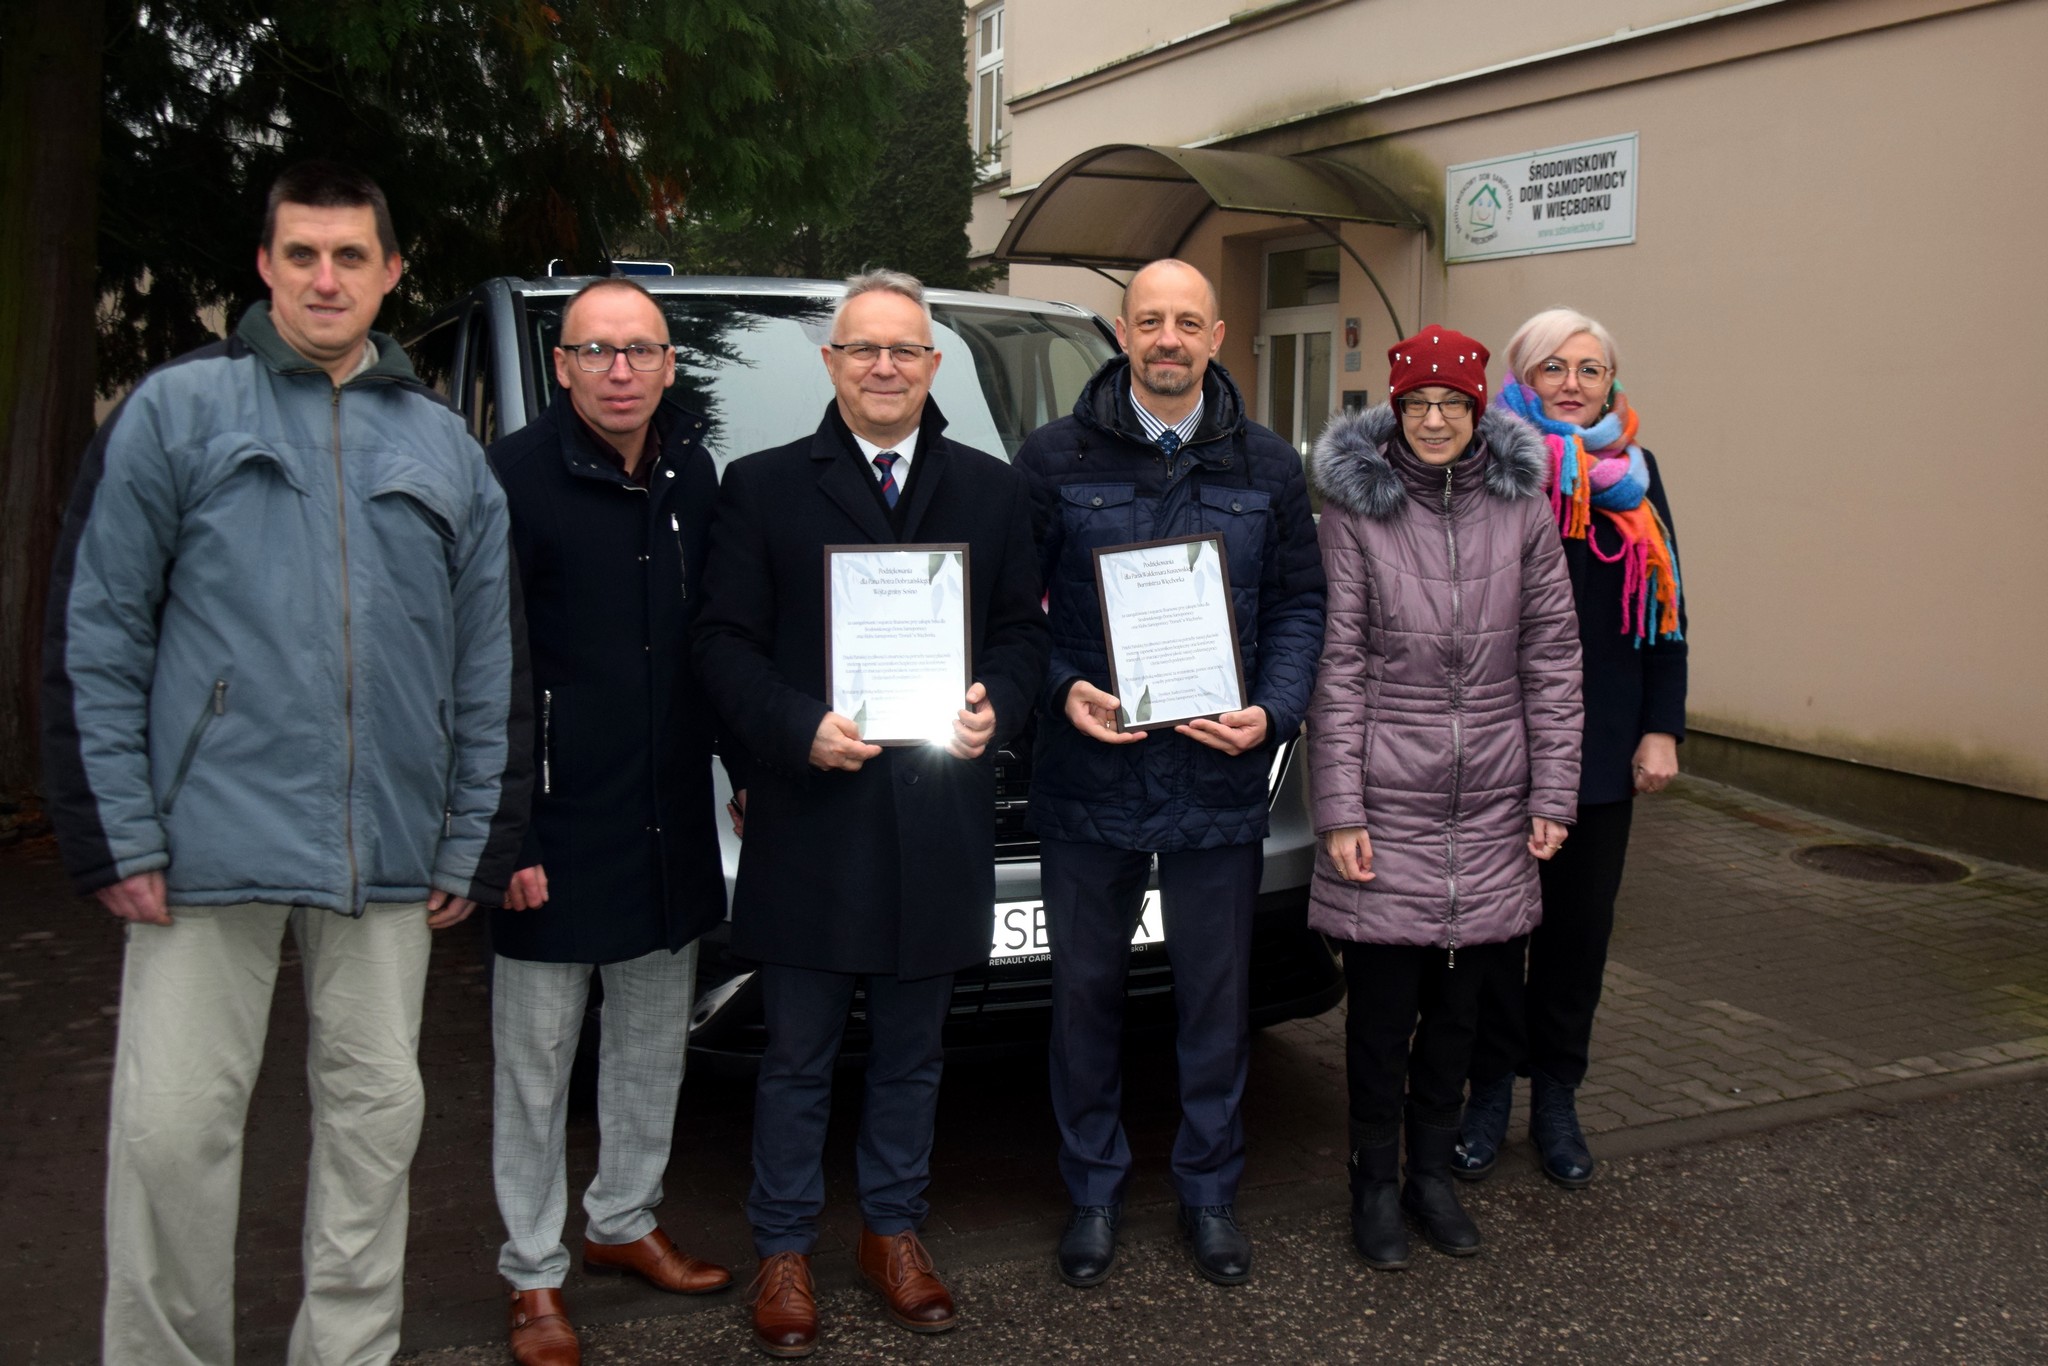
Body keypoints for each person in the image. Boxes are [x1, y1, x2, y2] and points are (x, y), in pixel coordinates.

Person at [40, 161, 529, 1366]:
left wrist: (470, 837)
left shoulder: (447, 450)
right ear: (264, 266)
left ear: (390, 273)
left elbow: (489, 668)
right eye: (301, 254)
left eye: (350, 255)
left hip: (389, 855)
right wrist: (115, 830)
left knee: (375, 1128)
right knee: (170, 1137)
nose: (324, 277)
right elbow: (96, 629)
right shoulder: (175, 412)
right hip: (201, 845)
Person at [691, 270, 1049, 1358]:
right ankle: (784, 1247)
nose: (884, 367)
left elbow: (1022, 637)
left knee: (912, 1054)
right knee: (797, 1056)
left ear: (932, 366)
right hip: (813, 816)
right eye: (863, 349)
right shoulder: (760, 486)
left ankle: (891, 1229)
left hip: (937, 819)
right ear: (832, 363)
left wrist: (999, 703)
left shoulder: (990, 490)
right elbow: (721, 644)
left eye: (904, 350)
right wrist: (793, 726)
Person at [1013, 258, 1326, 1289]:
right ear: (1122, 331)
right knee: (1085, 997)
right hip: (1088, 774)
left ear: (1216, 336)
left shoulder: (1267, 465)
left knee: (1214, 1001)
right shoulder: (1053, 457)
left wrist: (1273, 710)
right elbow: (1012, 611)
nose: (1167, 339)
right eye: (1149, 320)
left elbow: (1300, 604)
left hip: (1214, 774)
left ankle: (1208, 1191)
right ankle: (1092, 1190)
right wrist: (1061, 688)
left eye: (1187, 322)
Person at [485, 277, 737, 1366]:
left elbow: (713, 637)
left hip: (667, 813)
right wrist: (507, 833)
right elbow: (487, 667)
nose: (620, 370)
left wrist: (742, 768)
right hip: (554, 823)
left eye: (640, 350)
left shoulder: (694, 472)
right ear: (562, 365)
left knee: (647, 1045)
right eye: (596, 350)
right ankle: (533, 1273)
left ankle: (623, 1220)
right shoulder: (512, 478)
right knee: (536, 1064)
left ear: (670, 365)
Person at [1306, 325, 1581, 1269]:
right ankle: (1374, 1184)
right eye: (1417, 405)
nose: (1433, 421)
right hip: (1387, 800)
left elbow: (1553, 659)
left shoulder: (1523, 511)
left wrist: (1554, 792)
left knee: (1461, 1016)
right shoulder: (1354, 515)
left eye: (1451, 405)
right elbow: (1338, 667)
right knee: (1383, 1019)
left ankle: (1430, 1175)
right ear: (1395, 411)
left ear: (1477, 411)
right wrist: (1340, 809)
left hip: (1495, 801)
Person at [1455, 308, 1688, 1189]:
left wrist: (1661, 726)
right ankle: (1486, 1092)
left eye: (1590, 369)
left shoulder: (1638, 474)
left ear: (1609, 382)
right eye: (1553, 368)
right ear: (1522, 379)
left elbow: (1667, 609)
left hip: (1602, 745)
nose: (1573, 384)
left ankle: (1556, 1096)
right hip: (1500, 741)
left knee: (1577, 935)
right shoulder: (1488, 467)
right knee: (1491, 935)